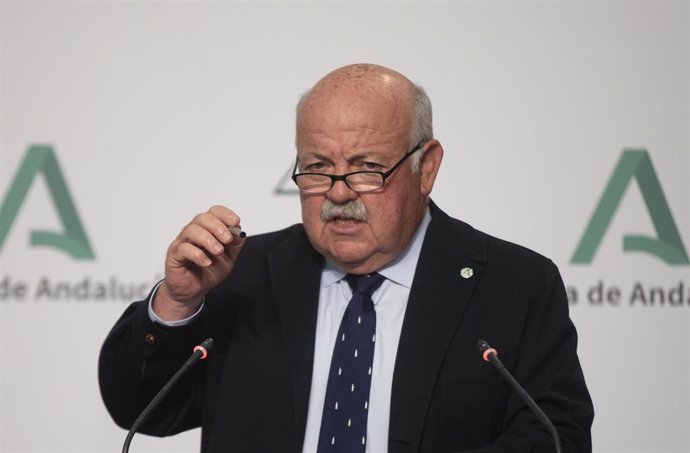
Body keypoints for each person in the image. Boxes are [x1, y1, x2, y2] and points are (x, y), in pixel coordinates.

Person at [99, 63, 593, 453]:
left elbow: (557, 440)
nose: (338, 193)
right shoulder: (239, 273)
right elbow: (138, 410)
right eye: (317, 168)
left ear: (427, 167)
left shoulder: (514, 286)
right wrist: (177, 305)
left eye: (366, 169)